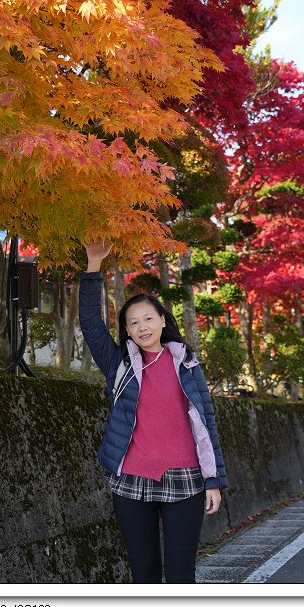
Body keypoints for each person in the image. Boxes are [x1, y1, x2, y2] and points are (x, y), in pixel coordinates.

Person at [79, 238, 228, 584]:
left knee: (180, 577)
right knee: (144, 575)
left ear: (163, 320)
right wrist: (93, 266)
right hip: (132, 482)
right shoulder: (119, 364)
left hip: (186, 481)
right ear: (127, 330)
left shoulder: (187, 364)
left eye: (148, 318)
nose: (142, 327)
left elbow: (207, 427)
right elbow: (90, 324)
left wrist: (214, 481)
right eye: (133, 322)